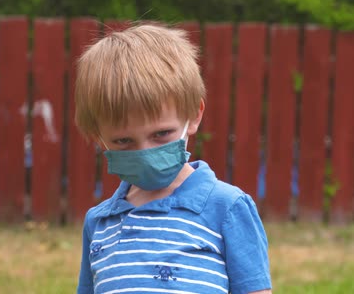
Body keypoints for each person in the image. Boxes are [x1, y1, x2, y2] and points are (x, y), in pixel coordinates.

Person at [75, 23, 272, 294]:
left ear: (194, 115)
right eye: (124, 141)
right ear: (98, 136)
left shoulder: (226, 209)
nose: (144, 153)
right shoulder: (99, 223)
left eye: (161, 134)